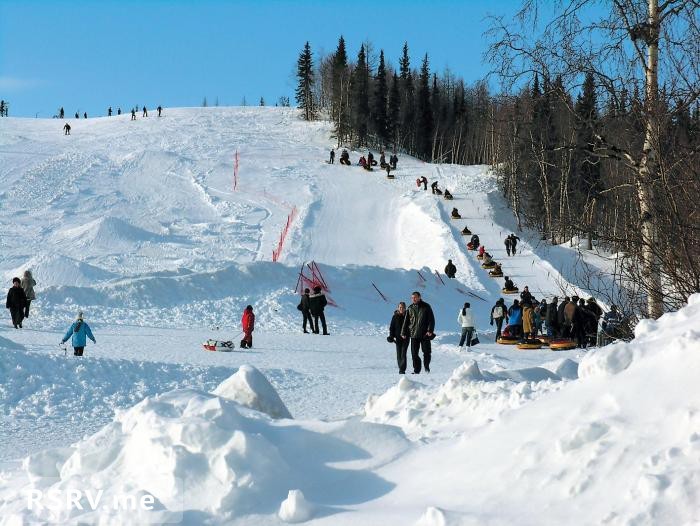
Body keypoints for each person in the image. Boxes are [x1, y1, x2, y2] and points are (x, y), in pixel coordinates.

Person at [401, 291, 435, 374]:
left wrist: (430, 330)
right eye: (412, 298)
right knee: (414, 354)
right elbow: (406, 322)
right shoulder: (410, 308)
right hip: (413, 334)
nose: (413, 299)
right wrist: (403, 332)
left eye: (415, 297)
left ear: (419, 297)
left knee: (426, 352)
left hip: (424, 334)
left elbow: (431, 320)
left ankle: (426, 366)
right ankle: (416, 370)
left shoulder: (426, 306)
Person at [388, 302, 409, 374]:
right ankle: (400, 368)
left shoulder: (408, 316)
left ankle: (402, 369)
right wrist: (391, 336)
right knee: (399, 354)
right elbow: (392, 328)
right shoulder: (395, 317)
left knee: (403, 353)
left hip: (406, 338)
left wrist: (406, 334)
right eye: (400, 307)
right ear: (398, 308)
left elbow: (410, 327)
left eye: (403, 307)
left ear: (405, 308)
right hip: (398, 339)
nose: (401, 309)